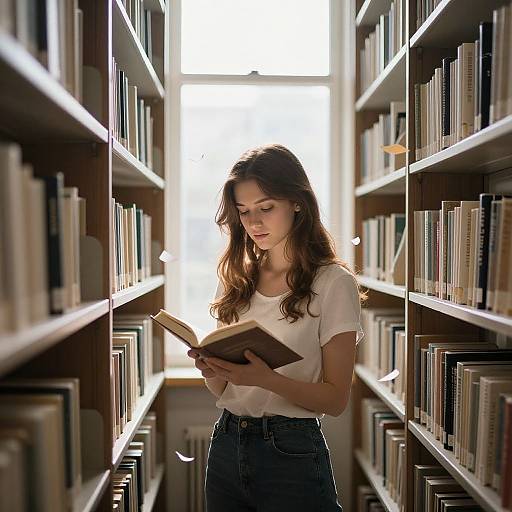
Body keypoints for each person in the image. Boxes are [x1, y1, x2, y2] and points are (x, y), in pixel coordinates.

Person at [187, 143, 365, 511]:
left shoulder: (333, 282)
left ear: (297, 203)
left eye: (266, 208)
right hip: (226, 441)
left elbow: (335, 400)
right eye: (244, 211)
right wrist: (211, 369)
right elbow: (223, 389)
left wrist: (265, 378)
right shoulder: (237, 278)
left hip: (291, 449)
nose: (254, 223)